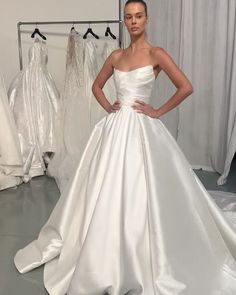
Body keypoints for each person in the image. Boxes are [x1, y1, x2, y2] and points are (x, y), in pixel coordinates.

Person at [14, 1, 236, 294]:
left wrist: (157, 111)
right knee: (106, 187)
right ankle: (105, 249)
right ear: (125, 20)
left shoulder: (157, 54)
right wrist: (109, 106)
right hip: (115, 128)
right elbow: (96, 86)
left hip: (143, 129)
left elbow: (186, 86)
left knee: (145, 188)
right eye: (128, 17)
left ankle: (145, 249)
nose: (133, 22)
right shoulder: (117, 55)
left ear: (147, 19)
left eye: (138, 16)